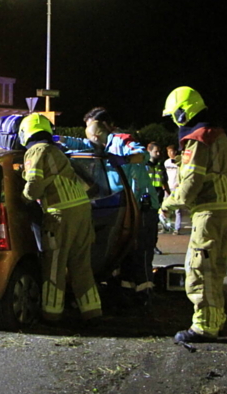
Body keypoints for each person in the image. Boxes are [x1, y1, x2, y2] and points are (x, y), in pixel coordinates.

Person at [159, 87, 227, 344]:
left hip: (209, 209)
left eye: (174, 115)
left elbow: (192, 180)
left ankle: (204, 327)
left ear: (183, 113)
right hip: (225, 207)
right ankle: (215, 319)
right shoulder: (217, 133)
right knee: (215, 267)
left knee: (199, 268)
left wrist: (169, 203)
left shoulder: (197, 138)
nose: (174, 120)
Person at [60, 108, 159, 306]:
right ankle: (123, 294)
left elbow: (142, 155)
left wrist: (124, 160)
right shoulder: (102, 145)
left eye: (93, 127)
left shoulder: (121, 140)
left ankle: (143, 296)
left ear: (104, 126)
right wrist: (58, 139)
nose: (91, 134)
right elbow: (81, 144)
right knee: (121, 252)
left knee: (140, 253)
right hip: (119, 205)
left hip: (140, 207)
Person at [19, 113, 103, 323]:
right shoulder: (58, 152)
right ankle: (92, 312)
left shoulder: (36, 151)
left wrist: (21, 199)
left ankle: (51, 314)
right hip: (82, 211)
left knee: (54, 265)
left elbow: (33, 187)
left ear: (24, 133)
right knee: (81, 265)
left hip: (60, 214)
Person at [163, 144, 182, 234]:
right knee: (166, 207)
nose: (171, 153)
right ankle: (167, 226)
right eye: (169, 151)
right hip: (168, 186)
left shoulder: (180, 162)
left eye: (172, 151)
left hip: (176, 187)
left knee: (178, 209)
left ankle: (177, 228)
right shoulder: (166, 163)